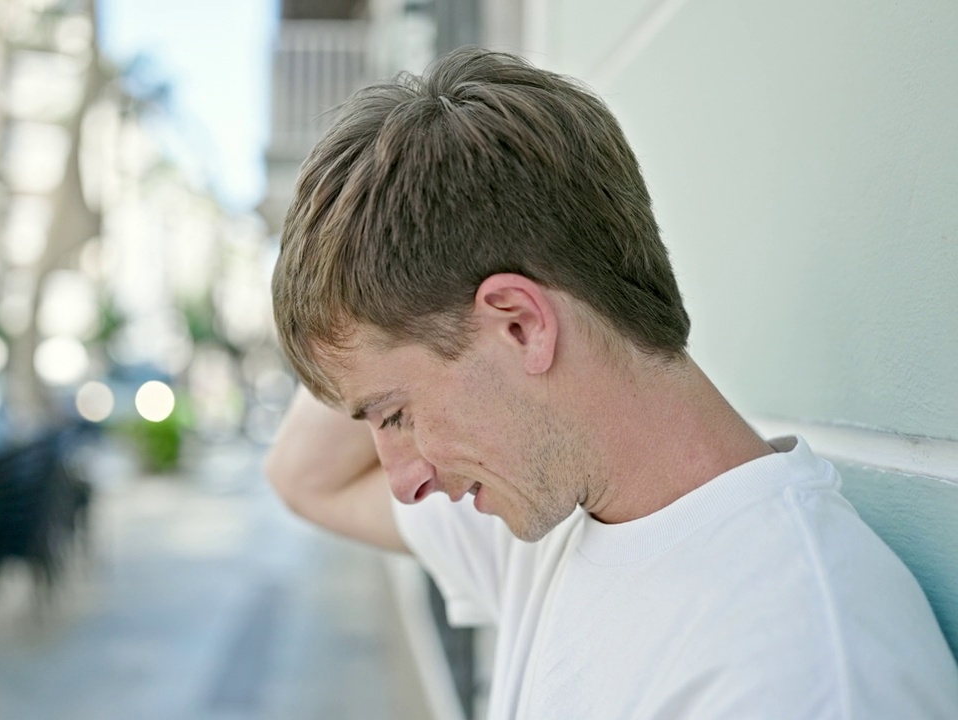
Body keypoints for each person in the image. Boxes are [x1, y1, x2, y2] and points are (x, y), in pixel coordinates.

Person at [263, 47, 958, 718]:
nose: (403, 480)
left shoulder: (802, 674)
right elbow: (302, 477)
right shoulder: (540, 516)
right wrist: (359, 284)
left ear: (520, 325)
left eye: (394, 416)